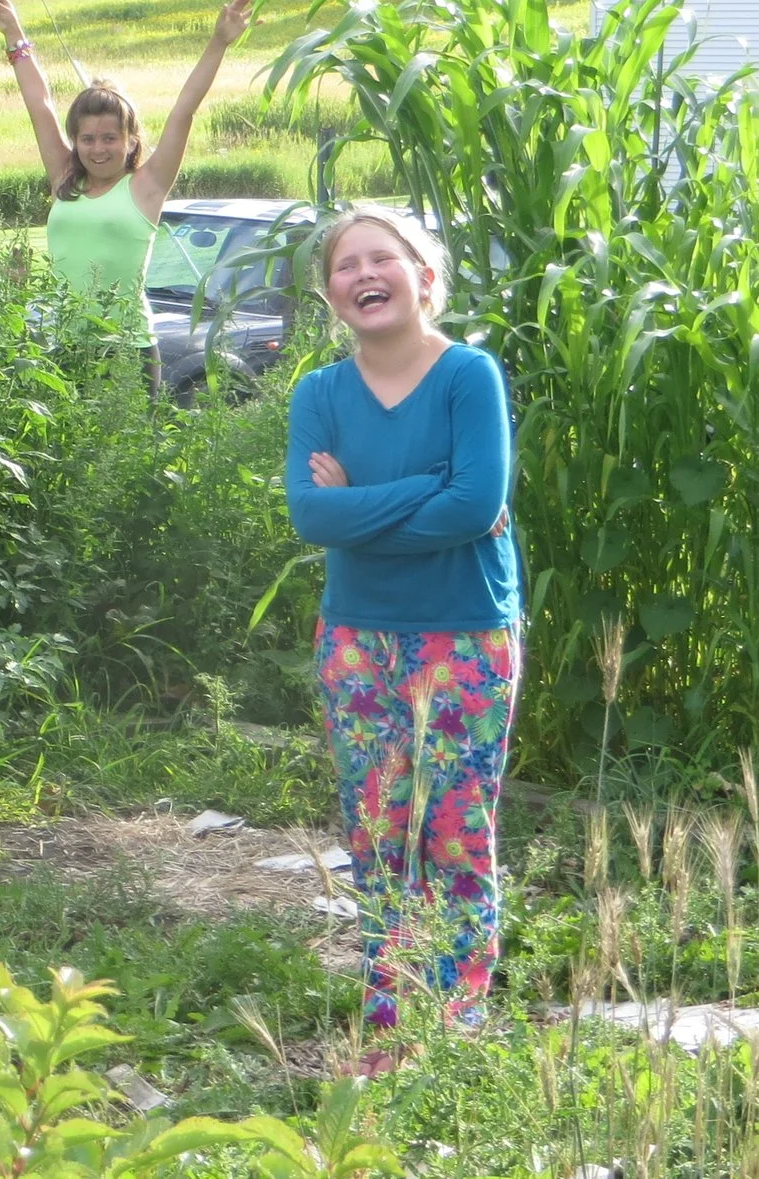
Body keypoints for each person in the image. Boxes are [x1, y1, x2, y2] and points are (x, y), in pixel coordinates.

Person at [284, 205, 519, 1058]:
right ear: (331, 293)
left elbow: (479, 503)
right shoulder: (319, 392)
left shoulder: (469, 376)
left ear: (425, 276)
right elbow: (312, 515)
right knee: (379, 827)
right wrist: (425, 490)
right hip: (357, 636)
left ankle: (454, 1025)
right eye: (346, 265)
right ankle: (391, 1016)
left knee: (453, 830)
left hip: (463, 633)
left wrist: (362, 508)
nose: (364, 273)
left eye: (384, 257)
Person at [0, 0, 254, 308]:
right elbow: (39, 105)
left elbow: (184, 109)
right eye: (87, 139)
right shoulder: (64, 177)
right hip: (64, 344)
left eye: (110, 138)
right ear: (75, 141)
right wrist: (14, 34)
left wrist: (219, 42)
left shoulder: (147, 185)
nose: (98, 149)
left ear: (131, 141)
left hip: (129, 346)